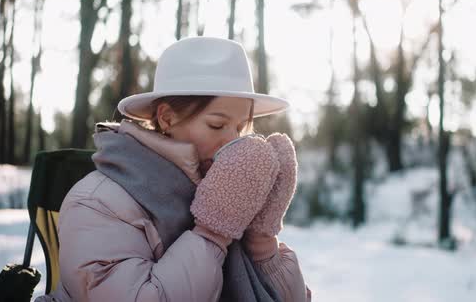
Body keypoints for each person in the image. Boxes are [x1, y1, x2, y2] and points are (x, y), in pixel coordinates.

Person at [35, 37, 311, 301]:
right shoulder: (97, 201)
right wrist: (213, 232)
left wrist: (262, 237)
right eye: (216, 125)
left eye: (241, 128)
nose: (232, 141)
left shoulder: (229, 192)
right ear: (166, 118)